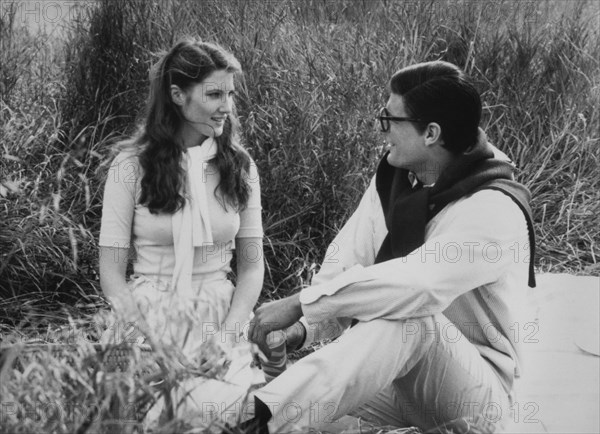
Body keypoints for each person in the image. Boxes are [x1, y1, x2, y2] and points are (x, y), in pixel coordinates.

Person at [247, 60, 536, 433]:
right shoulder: (397, 179)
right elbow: (347, 266)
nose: (382, 131)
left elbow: (416, 287)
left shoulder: (494, 206)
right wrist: (299, 330)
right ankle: (259, 414)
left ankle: (257, 424)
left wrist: (300, 303)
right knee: (301, 404)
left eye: (390, 120)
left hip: (472, 397)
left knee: (411, 318)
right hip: (399, 382)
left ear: (431, 133)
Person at [97, 38, 264, 428]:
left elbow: (252, 269)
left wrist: (225, 338)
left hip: (219, 315)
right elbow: (111, 273)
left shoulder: (240, 166)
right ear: (177, 95)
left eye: (230, 94)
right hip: (145, 312)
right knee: (134, 412)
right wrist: (152, 343)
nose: (227, 106)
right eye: (214, 94)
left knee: (219, 412)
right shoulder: (129, 166)